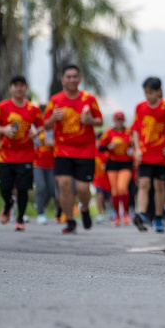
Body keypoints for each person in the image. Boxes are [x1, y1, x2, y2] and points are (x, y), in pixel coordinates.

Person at [43, 64, 103, 234]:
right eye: (68, 77)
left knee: (83, 188)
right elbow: (46, 125)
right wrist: (53, 118)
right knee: (64, 185)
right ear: (63, 80)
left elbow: (99, 120)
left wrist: (89, 120)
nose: (72, 80)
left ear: (79, 79)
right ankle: (69, 220)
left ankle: (84, 208)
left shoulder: (89, 99)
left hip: (85, 151)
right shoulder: (56, 100)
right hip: (62, 150)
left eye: (75, 76)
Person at [0, 76, 44, 232]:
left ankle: (20, 220)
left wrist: (36, 132)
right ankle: (8, 203)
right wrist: (3, 130)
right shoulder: (2, 106)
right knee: (5, 187)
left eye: (21, 85)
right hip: (5, 155)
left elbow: (41, 126)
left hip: (26, 156)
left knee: (23, 188)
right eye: (15, 85)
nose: (19, 88)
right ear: (10, 88)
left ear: (26, 88)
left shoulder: (33, 109)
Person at [130, 77, 165, 233]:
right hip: (144, 153)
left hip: (161, 153)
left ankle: (158, 217)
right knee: (143, 184)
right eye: (146, 92)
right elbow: (135, 129)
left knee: (159, 186)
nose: (148, 95)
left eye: (151, 92)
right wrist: (137, 148)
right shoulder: (140, 107)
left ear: (158, 92)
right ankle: (142, 214)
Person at [99, 111, 134, 225]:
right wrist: (110, 146)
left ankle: (125, 214)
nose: (119, 122)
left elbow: (135, 145)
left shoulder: (129, 132)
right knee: (114, 190)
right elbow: (100, 147)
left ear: (124, 120)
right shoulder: (109, 132)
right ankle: (117, 215)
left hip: (126, 163)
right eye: (117, 120)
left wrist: (132, 149)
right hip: (113, 163)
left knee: (122, 187)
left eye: (121, 120)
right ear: (114, 121)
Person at [32, 128, 58, 224]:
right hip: (37, 163)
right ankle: (41, 213)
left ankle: (40, 205)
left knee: (51, 190)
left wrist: (53, 142)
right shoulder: (35, 129)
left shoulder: (54, 130)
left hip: (51, 164)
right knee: (41, 187)